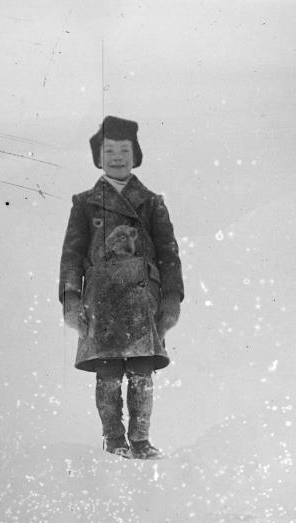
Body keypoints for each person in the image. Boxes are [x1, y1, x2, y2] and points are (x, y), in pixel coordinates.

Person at [59, 117, 185, 459]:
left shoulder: (152, 203)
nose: (117, 157)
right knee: (108, 373)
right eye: (109, 151)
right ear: (98, 157)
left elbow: (169, 255)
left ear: (135, 155)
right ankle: (113, 440)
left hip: (142, 299)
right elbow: (71, 256)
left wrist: (171, 299)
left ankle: (141, 441)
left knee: (142, 371)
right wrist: (71, 299)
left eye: (124, 151)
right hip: (101, 301)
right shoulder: (84, 203)